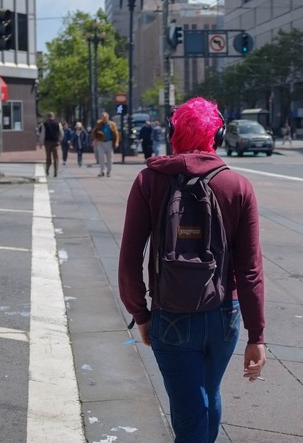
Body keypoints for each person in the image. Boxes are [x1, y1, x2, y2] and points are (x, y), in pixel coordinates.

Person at [118, 97, 266, 443]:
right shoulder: (238, 186)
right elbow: (250, 270)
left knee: (188, 410)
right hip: (224, 313)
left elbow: (129, 260)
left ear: (173, 133)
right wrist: (256, 335)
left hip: (170, 313)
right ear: (219, 135)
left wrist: (141, 314)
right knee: (208, 395)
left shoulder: (148, 181)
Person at [91, 111, 119, 177]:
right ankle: (102, 171)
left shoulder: (112, 124)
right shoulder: (99, 123)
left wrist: (116, 142)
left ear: (108, 118)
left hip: (109, 142)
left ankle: (109, 171)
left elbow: (116, 134)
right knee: (101, 156)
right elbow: (94, 132)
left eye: (105, 118)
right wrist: (95, 139)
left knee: (110, 157)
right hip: (101, 142)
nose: (104, 119)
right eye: (103, 118)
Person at [38, 111, 63, 177]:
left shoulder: (45, 124)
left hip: (47, 142)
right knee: (56, 158)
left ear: (47, 117)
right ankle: (55, 172)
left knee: (48, 157)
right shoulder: (58, 123)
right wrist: (60, 140)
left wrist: (41, 143)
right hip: (55, 142)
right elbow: (61, 133)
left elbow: (43, 134)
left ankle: (47, 170)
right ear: (53, 116)